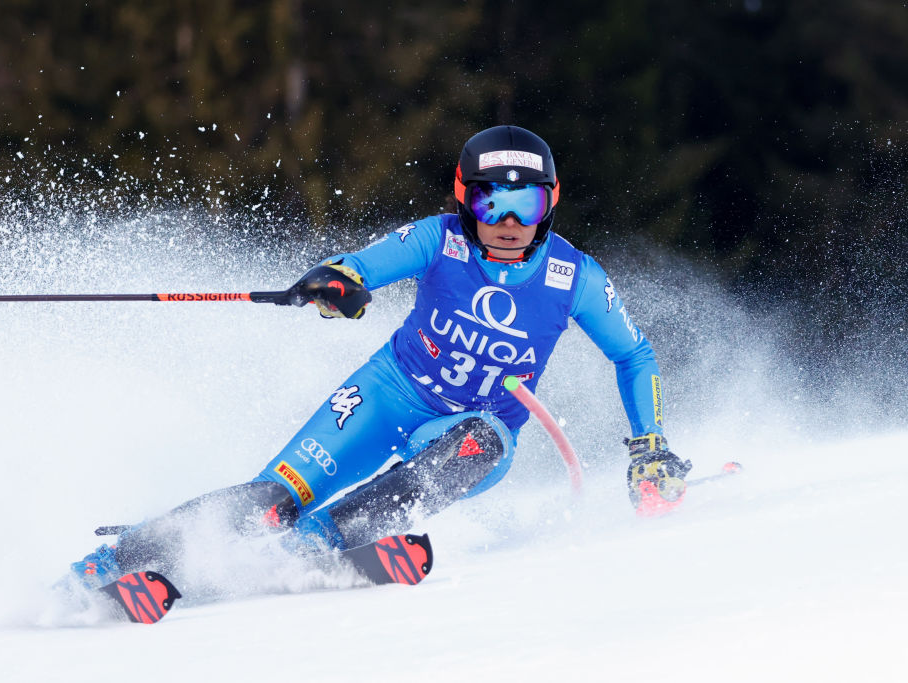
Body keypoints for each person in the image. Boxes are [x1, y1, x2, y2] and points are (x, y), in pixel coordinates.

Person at [70, 125, 691, 586]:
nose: (506, 221)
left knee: (481, 440)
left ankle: (324, 541)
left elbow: (634, 356)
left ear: (550, 202)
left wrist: (650, 448)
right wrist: (337, 287)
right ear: (462, 200)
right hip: (385, 393)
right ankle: (119, 560)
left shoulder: (574, 278)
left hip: (469, 431)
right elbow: (359, 268)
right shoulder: (437, 240)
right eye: (488, 203)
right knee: (273, 499)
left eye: (523, 204)